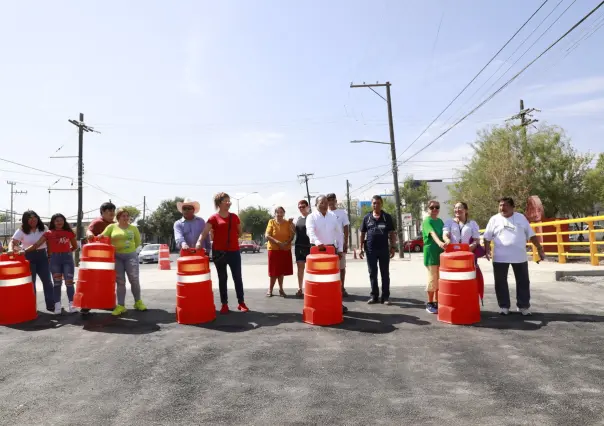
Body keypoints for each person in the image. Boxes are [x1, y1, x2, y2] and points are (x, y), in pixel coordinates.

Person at [483, 197, 545, 316]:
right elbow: (487, 237)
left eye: (505, 205)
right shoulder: (494, 219)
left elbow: (531, 235)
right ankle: (504, 306)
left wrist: (540, 249)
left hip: (519, 257)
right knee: (500, 282)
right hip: (500, 258)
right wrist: (487, 250)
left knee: (523, 282)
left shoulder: (521, 218)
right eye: (500, 205)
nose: (502, 208)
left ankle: (523, 306)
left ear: (512, 207)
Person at [196, 192, 249, 314]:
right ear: (219, 203)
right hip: (219, 252)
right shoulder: (213, 218)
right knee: (222, 278)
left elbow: (239, 232)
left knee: (237, 277)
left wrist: (231, 237)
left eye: (229, 200)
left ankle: (241, 303)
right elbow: (204, 232)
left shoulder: (234, 217)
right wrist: (199, 242)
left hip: (234, 251)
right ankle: (224, 304)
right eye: (226, 200)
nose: (229, 202)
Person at [25, 213, 78, 314]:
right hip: (54, 260)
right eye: (57, 220)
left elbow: (75, 246)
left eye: (61, 220)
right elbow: (37, 245)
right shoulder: (48, 233)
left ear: (64, 221)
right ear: (53, 222)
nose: (59, 222)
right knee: (57, 283)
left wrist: (65, 252)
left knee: (69, 283)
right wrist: (24, 251)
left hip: (67, 259)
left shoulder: (69, 232)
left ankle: (72, 304)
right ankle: (57, 305)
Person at [101, 208, 147, 316]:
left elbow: (137, 242)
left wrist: (129, 251)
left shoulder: (133, 228)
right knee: (120, 281)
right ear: (118, 217)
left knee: (134, 279)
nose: (126, 218)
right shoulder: (111, 227)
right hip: (116, 257)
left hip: (130, 256)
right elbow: (102, 237)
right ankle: (121, 306)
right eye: (123, 216)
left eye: (127, 216)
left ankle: (138, 302)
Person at [306, 195, 348, 313]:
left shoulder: (333, 216)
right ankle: (318, 304)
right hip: (317, 250)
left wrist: (340, 249)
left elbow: (339, 234)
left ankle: (337, 303)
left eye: (326, 203)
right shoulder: (311, 217)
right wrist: (318, 243)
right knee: (318, 280)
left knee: (334, 279)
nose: (324, 205)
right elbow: (310, 232)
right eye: (321, 203)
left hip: (331, 250)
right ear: (316, 205)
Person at [10, 210, 55, 312]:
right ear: (25, 220)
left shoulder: (44, 228)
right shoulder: (21, 230)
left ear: (37, 218)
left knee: (47, 281)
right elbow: (13, 242)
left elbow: (49, 243)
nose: (32, 220)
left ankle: (51, 304)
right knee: (31, 282)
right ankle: (32, 306)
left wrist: (49, 255)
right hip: (28, 257)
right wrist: (12, 249)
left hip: (42, 256)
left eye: (34, 217)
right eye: (29, 218)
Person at [443, 202, 485, 303]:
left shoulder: (472, 223)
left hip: (468, 257)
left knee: (468, 280)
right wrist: (447, 240)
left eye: (460, 208)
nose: (457, 210)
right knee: (454, 280)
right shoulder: (449, 222)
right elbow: (445, 234)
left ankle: (468, 303)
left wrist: (471, 247)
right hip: (453, 257)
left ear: (466, 210)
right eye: (455, 208)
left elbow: (476, 239)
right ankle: (456, 302)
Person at [359, 195, 397, 305]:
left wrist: (393, 247)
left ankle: (385, 297)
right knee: (372, 273)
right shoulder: (367, 218)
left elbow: (392, 233)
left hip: (384, 249)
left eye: (378, 203)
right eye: (374, 203)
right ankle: (374, 296)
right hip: (370, 250)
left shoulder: (387, 217)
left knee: (385, 273)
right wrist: (361, 248)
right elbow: (362, 233)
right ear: (371, 204)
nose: (376, 205)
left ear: (382, 204)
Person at [81, 201, 116, 315]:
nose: (112, 213)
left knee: (108, 282)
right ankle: (86, 305)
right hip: (95, 259)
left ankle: (107, 303)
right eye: (109, 210)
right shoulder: (97, 222)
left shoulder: (115, 224)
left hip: (109, 259)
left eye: (113, 210)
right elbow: (88, 230)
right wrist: (89, 234)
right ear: (102, 212)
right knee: (92, 281)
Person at [422, 200, 447, 314]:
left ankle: (437, 302)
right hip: (431, 253)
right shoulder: (427, 221)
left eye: (437, 207)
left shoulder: (440, 221)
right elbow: (433, 234)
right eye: (432, 208)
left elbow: (444, 234)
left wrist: (447, 241)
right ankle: (430, 303)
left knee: (439, 279)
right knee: (432, 279)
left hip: (440, 253)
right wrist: (440, 243)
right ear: (428, 209)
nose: (434, 210)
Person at [265, 206, 294, 297]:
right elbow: (267, 235)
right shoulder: (271, 222)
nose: (279, 214)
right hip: (273, 250)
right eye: (277, 212)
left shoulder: (287, 223)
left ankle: (281, 289)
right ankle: (270, 289)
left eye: (281, 212)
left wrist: (285, 244)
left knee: (281, 271)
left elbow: (291, 236)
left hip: (284, 249)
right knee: (273, 272)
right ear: (275, 214)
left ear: (284, 213)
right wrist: (278, 243)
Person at [326, 193, 350, 297]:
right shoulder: (324, 213)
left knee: (341, 267)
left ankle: (341, 287)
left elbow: (346, 227)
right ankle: (331, 287)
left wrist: (345, 242)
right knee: (329, 267)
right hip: (328, 244)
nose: (331, 202)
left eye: (332, 200)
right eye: (329, 200)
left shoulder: (342, 212)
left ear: (336, 201)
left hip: (339, 244)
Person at [293, 199, 311, 297]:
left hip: (310, 247)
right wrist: (290, 224)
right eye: (299, 207)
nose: (301, 209)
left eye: (303, 206)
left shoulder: (312, 217)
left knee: (311, 269)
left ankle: (311, 288)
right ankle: (300, 288)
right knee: (300, 268)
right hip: (299, 246)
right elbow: (293, 232)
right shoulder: (297, 219)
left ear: (307, 207)